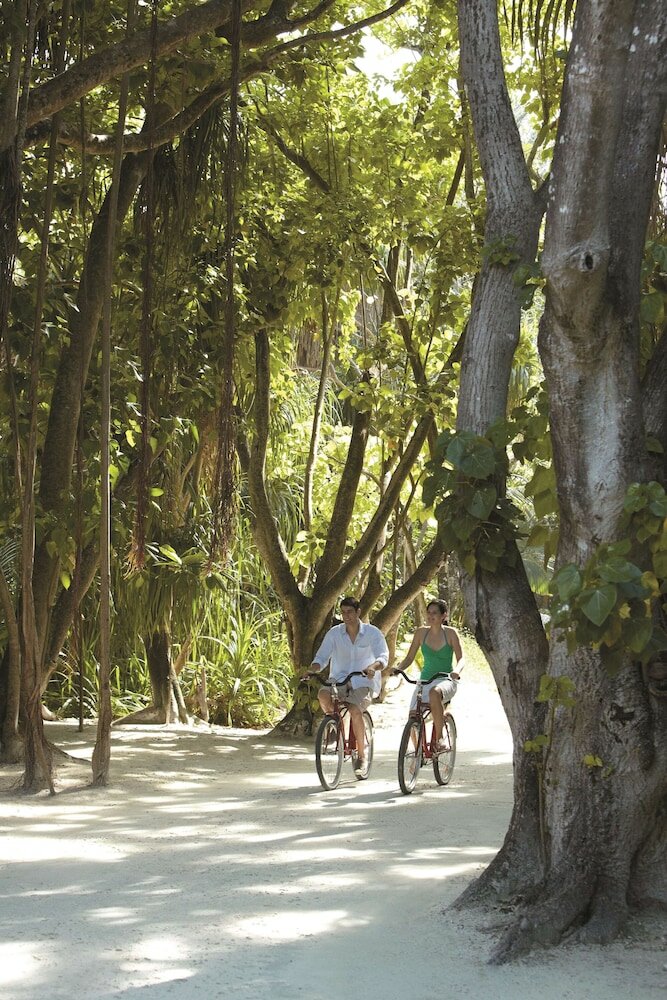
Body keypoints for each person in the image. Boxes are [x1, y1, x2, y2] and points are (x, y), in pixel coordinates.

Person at [309, 596, 389, 777]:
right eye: (343, 612)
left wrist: (373, 667)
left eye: (350, 612)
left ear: (358, 612)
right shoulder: (334, 633)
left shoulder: (372, 633)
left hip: (363, 682)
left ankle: (361, 755)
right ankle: (335, 726)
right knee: (323, 694)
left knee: (354, 709)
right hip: (339, 679)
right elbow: (321, 658)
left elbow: (383, 656)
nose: (346, 616)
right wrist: (312, 670)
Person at [396, 598, 463, 751]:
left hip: (446, 679)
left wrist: (456, 671)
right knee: (413, 716)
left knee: (435, 693)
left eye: (435, 613)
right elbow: (409, 658)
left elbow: (461, 658)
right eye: (429, 613)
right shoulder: (421, 633)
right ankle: (418, 752)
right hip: (425, 681)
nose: (430, 616)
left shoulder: (451, 633)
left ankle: (439, 739)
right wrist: (398, 669)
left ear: (443, 616)